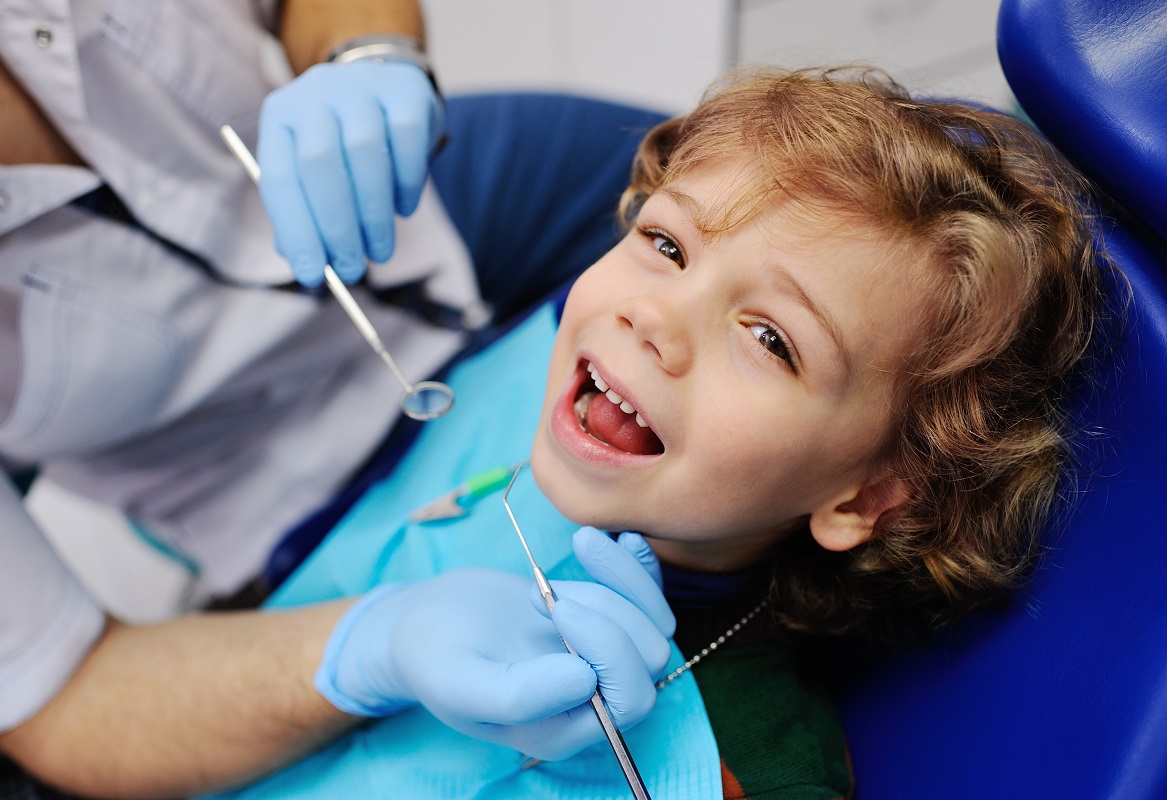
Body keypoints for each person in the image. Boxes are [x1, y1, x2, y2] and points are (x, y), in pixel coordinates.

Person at [203, 66, 1115, 799]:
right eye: (668, 245)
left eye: (770, 341)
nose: (654, 319)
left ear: (862, 497)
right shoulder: (509, 395)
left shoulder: (762, 768)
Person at [0, 1, 673, 797]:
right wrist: (374, 644)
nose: (662, 323)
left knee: (754, 223)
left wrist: (365, 52)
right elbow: (63, 698)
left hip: (428, 209)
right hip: (279, 482)